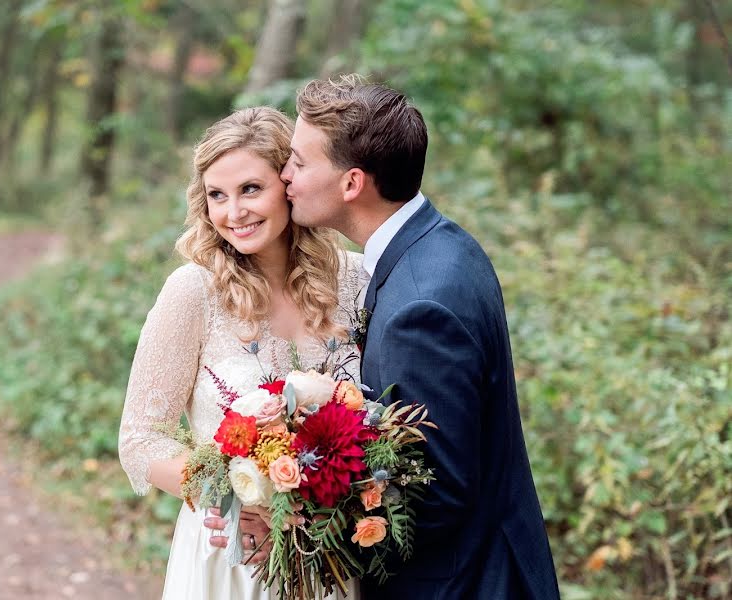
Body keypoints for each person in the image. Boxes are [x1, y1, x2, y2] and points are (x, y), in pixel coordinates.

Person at [279, 74, 561, 599]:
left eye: (299, 161)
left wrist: (301, 526)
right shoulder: (441, 244)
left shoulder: (420, 305)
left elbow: (437, 492)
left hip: (460, 584)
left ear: (351, 183)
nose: (285, 174)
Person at [118, 106, 364, 600]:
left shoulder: (356, 280)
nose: (234, 212)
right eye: (217, 195)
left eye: (251, 189)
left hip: (331, 556)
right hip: (232, 557)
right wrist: (233, 493)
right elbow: (140, 440)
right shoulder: (194, 291)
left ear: (287, 184)